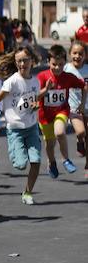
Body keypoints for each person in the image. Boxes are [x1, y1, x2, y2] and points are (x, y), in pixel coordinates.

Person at [0, 49, 42, 204]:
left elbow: (35, 101)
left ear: (31, 61)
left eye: (25, 60)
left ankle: (27, 192)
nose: (22, 64)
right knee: (20, 165)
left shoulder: (36, 81)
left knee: (36, 160)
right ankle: (2, 149)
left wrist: (35, 105)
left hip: (32, 127)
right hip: (15, 129)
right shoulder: (12, 81)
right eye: (19, 61)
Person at [37, 45, 86, 178]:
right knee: (50, 144)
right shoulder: (42, 76)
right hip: (45, 116)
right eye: (54, 64)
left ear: (65, 62)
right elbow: (35, 96)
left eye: (60, 64)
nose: (57, 68)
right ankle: (52, 162)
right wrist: (45, 90)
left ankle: (66, 159)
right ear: (48, 62)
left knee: (60, 132)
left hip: (61, 111)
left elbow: (84, 86)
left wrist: (82, 104)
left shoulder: (68, 77)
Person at [64, 40, 88, 175]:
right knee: (81, 132)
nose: (77, 56)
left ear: (85, 55)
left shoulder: (87, 69)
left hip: (87, 106)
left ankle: (87, 166)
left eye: (80, 54)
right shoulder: (66, 68)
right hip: (74, 108)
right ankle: (80, 140)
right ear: (69, 54)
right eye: (74, 53)